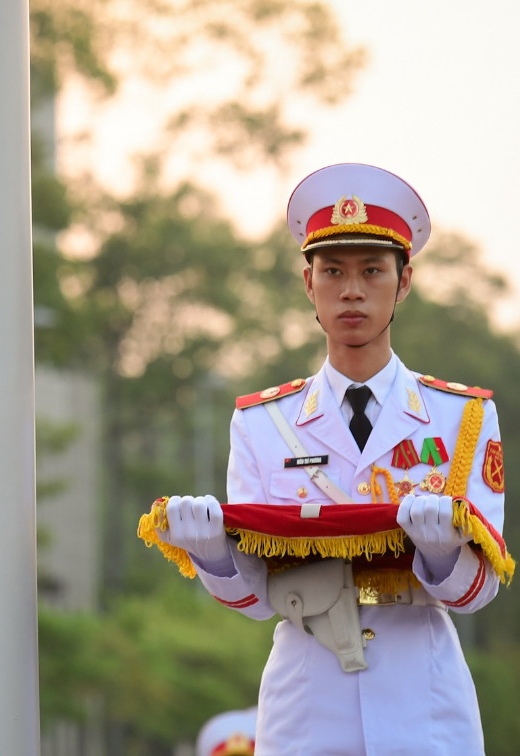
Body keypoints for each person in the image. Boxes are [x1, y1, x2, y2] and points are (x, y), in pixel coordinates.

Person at [157, 163, 505, 753]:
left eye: (372, 271)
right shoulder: (263, 423)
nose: (351, 291)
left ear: (404, 282)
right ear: (307, 282)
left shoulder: (461, 418)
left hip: (421, 691)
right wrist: (213, 556)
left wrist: (442, 557)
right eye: (333, 271)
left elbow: (478, 593)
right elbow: (254, 600)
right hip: (308, 698)